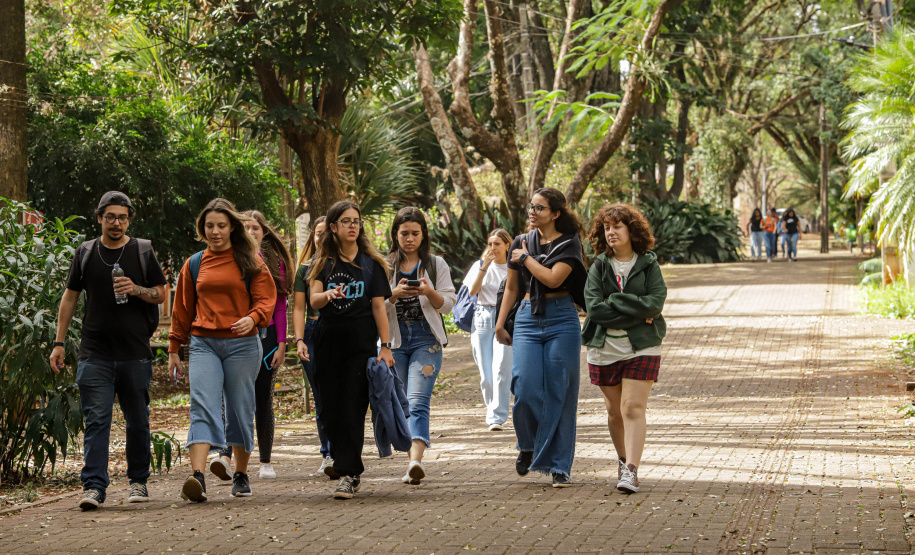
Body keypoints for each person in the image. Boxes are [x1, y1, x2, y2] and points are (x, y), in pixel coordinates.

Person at [50, 191, 167, 511]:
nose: (117, 223)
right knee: (97, 421)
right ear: (99, 217)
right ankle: (94, 487)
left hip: (135, 352)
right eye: (111, 216)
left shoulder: (142, 250)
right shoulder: (85, 252)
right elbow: (70, 297)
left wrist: (135, 289)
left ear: (129, 219)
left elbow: (160, 294)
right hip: (94, 353)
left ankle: (138, 482)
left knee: (138, 421)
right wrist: (59, 343)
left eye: (123, 217)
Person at [168, 198, 277, 502]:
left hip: (242, 345)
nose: (215, 231)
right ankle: (198, 476)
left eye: (221, 226)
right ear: (202, 229)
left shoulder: (250, 261)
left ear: (232, 227)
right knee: (202, 404)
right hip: (204, 343)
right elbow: (182, 308)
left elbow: (266, 299)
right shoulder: (194, 263)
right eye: (209, 226)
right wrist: (174, 346)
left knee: (241, 409)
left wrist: (252, 318)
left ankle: (240, 474)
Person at [495, 187, 588, 489]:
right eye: (530, 206)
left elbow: (552, 278)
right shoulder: (521, 242)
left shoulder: (569, 244)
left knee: (561, 392)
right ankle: (528, 444)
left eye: (540, 208)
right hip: (526, 316)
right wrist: (500, 323)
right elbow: (510, 288)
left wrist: (525, 259)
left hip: (562, 317)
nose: (532, 212)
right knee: (524, 385)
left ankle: (560, 466)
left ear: (556, 213)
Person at [308, 200, 393, 500]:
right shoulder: (323, 262)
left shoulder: (372, 264)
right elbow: (313, 300)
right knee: (330, 410)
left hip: (360, 344)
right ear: (333, 227)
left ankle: (349, 473)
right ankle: (345, 464)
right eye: (346, 221)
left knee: (352, 407)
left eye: (356, 221)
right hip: (327, 341)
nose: (353, 226)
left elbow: (379, 308)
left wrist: (386, 346)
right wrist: (327, 294)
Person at [580, 203, 667, 494]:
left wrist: (614, 301)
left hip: (642, 345)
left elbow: (655, 303)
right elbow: (595, 310)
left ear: (631, 230)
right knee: (615, 412)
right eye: (607, 227)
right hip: (604, 348)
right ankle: (622, 460)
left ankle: (631, 470)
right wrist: (633, 308)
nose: (611, 232)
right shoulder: (598, 267)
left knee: (632, 407)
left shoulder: (649, 264)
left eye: (617, 226)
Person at [211, 210, 293, 480]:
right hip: (232, 338)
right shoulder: (226, 259)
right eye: (245, 227)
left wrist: (282, 344)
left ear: (263, 232)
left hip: (267, 338)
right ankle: (224, 455)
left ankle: (266, 461)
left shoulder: (274, 262)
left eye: (255, 227)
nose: (251, 231)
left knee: (262, 397)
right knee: (229, 396)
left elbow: (280, 307)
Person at [384, 207, 457, 485]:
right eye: (404, 233)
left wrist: (429, 291)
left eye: (415, 233)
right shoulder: (383, 264)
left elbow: (449, 305)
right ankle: (409, 460)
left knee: (418, 400)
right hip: (394, 341)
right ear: (395, 235)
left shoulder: (436, 264)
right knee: (401, 403)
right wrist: (393, 294)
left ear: (423, 234)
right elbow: (373, 303)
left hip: (427, 341)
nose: (410, 239)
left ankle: (415, 461)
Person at [292, 216, 333, 475]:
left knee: (341, 394)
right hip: (312, 332)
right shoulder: (304, 269)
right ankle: (327, 454)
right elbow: (298, 308)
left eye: (325, 232)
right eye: (317, 233)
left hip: (341, 332)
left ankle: (344, 450)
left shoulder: (347, 264)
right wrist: (298, 340)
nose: (320, 238)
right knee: (321, 396)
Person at [464, 229, 513, 431]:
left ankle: (496, 417)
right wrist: (484, 267)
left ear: (507, 246)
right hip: (483, 318)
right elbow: (472, 291)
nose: (492, 248)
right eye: (490, 243)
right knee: (486, 374)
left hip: (506, 317)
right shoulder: (480, 265)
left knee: (501, 368)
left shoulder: (514, 267)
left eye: (497, 244)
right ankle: (492, 407)